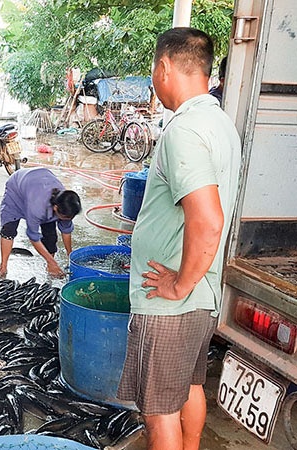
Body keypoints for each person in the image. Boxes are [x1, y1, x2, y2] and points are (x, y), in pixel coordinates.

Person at [116, 28, 241, 450]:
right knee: (189, 387)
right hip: (202, 298)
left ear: (164, 67)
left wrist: (179, 283)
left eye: (154, 69)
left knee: (158, 413)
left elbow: (208, 219)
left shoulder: (184, 131)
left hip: (173, 304)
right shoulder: (221, 123)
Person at [0, 167, 81, 279]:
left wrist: (70, 256)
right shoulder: (37, 207)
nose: (67, 219)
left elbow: (66, 230)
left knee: (50, 236)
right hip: (16, 188)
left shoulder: (66, 202)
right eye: (64, 217)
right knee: (8, 230)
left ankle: (50, 266)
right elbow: (33, 237)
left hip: (40, 179)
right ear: (55, 207)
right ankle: (3, 267)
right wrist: (53, 262)